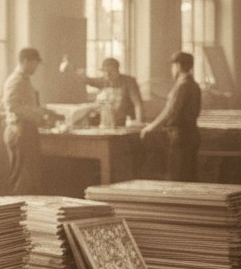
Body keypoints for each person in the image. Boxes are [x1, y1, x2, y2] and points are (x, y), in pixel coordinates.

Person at [2, 47, 62, 193]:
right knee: (21, 178)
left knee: (29, 177)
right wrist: (40, 114)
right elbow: (13, 107)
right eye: (35, 63)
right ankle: (16, 209)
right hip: (19, 130)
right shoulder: (16, 80)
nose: (36, 67)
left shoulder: (24, 80)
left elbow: (27, 105)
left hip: (27, 130)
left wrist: (47, 112)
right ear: (25, 61)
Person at [140, 50, 202, 181]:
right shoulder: (194, 85)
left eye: (173, 66)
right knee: (188, 175)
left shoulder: (183, 85)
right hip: (191, 134)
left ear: (178, 66)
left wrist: (150, 127)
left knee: (178, 176)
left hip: (181, 136)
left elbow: (170, 111)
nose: (172, 70)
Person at [61, 56, 144, 127]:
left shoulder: (129, 82)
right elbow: (88, 80)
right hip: (107, 121)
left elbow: (137, 104)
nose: (107, 74)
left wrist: (138, 121)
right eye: (105, 71)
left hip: (125, 120)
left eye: (111, 71)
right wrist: (77, 72)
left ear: (117, 70)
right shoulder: (103, 80)